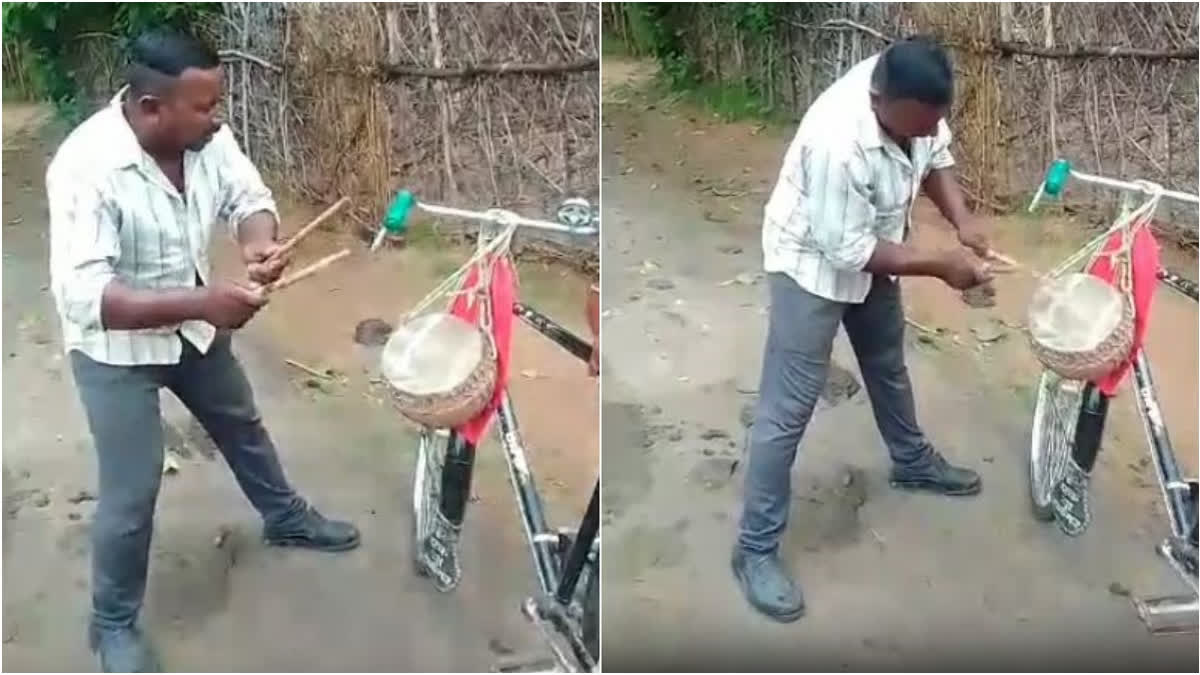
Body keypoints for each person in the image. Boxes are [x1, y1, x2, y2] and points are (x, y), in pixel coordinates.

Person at [47, 31, 360, 671]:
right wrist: (203, 304)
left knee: (240, 423)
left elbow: (249, 200)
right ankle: (111, 625)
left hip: (190, 327)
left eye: (216, 103)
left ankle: (286, 518)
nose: (218, 118)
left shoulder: (205, 139)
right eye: (204, 105)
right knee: (132, 493)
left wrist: (257, 244)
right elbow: (85, 296)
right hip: (114, 348)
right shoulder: (87, 167)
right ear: (150, 107)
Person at [733, 36, 995, 623]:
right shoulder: (838, 141)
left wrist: (963, 220)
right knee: (786, 411)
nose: (922, 135)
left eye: (931, 124)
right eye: (913, 127)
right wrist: (940, 265)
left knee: (886, 362)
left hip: (875, 249)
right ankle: (753, 549)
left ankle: (912, 461)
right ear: (881, 100)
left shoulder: (912, 98)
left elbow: (936, 158)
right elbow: (846, 248)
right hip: (811, 265)